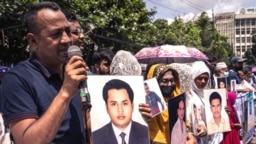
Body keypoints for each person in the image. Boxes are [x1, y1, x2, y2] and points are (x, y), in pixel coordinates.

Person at [1, 2, 87, 143]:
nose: (66, 39)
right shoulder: (17, 79)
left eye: (67, 31)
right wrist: (65, 93)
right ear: (33, 40)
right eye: (56, 34)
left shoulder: (73, 73)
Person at [141, 63, 195, 144]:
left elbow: (183, 125)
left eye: (172, 80)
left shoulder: (177, 98)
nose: (169, 84)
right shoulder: (145, 103)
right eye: (164, 81)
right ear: (154, 82)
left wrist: (189, 135)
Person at [92, 79, 149, 144]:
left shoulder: (146, 132)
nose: (120, 110)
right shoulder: (95, 137)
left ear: (132, 106)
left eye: (125, 104)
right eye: (114, 104)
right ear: (107, 108)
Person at [186, 61, 209, 144]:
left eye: (206, 79)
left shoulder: (208, 94)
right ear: (193, 77)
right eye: (200, 78)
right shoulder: (188, 95)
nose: (203, 81)